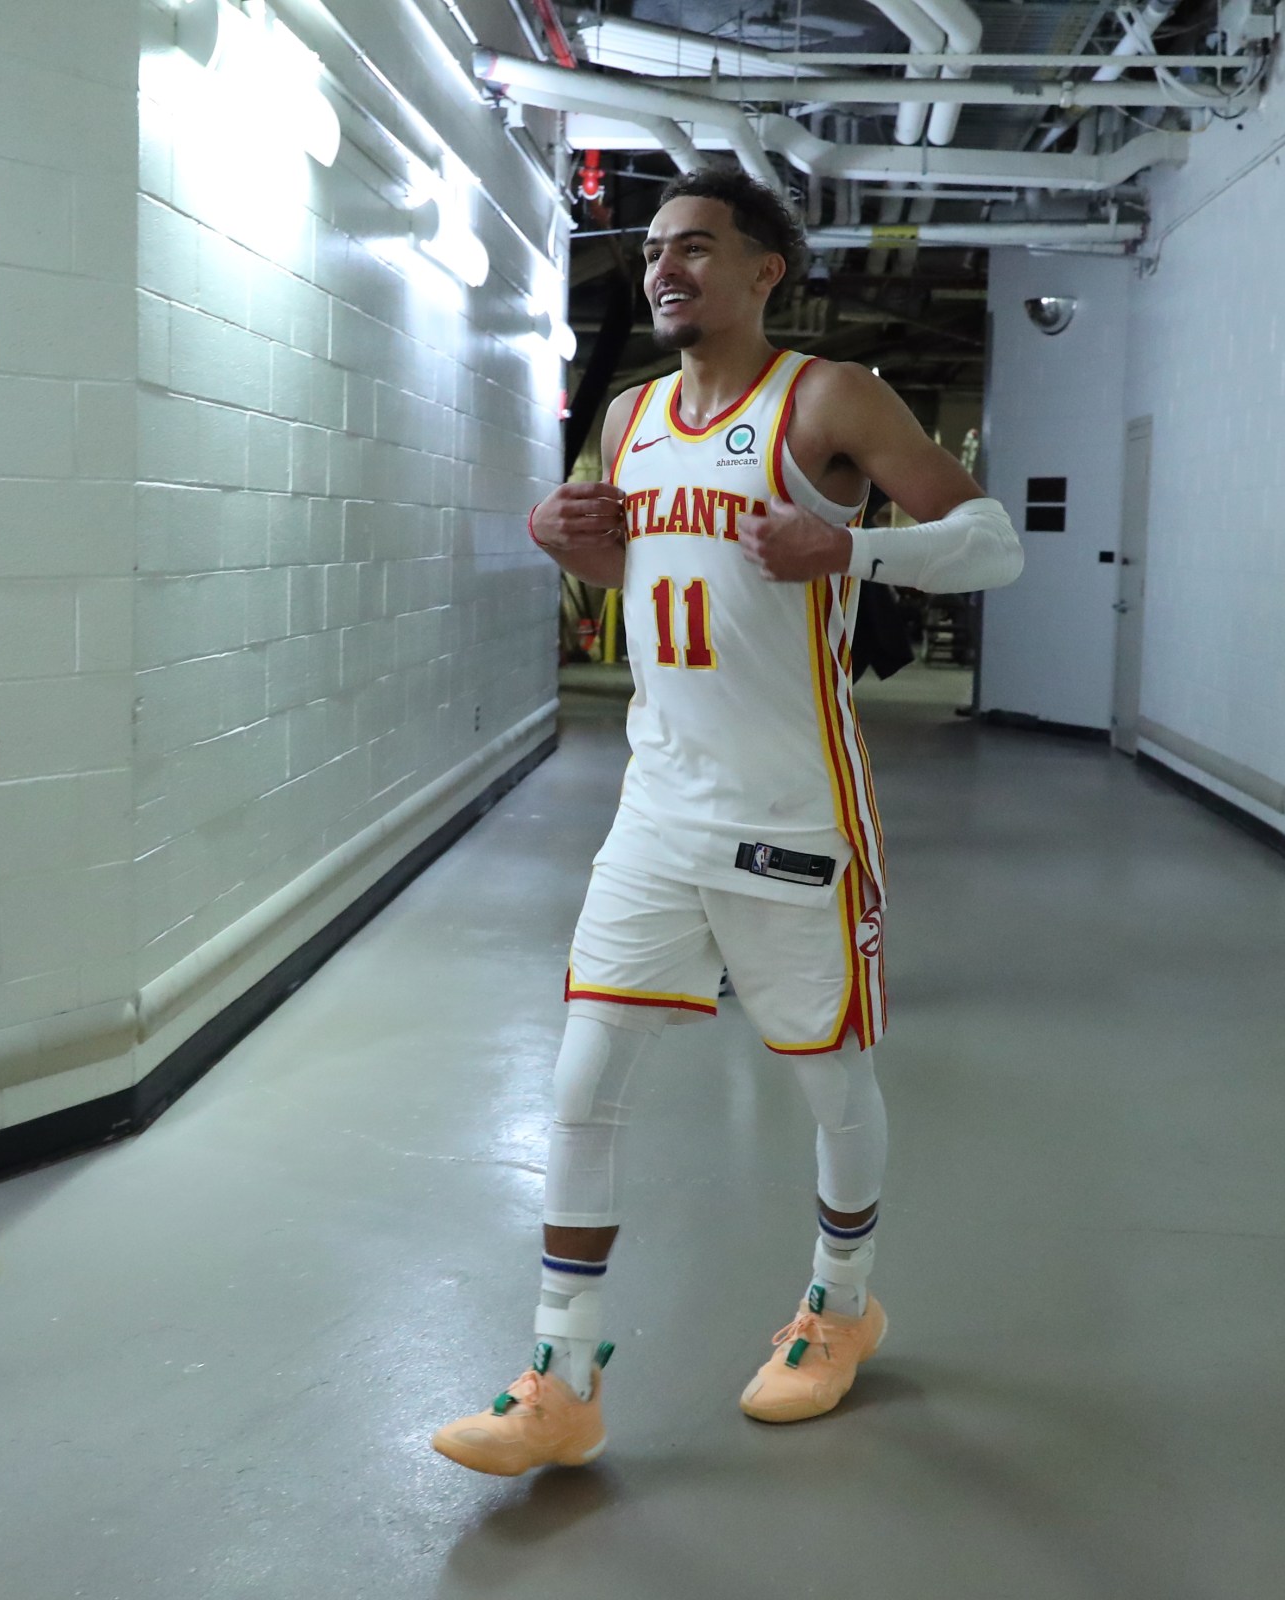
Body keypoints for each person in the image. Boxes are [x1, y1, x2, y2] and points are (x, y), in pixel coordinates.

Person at [430, 167, 1023, 1475]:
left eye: (697, 247)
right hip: (656, 808)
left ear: (767, 269)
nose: (665, 269)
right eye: (652, 251)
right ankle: (562, 1380)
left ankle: (842, 1308)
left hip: (794, 816)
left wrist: (851, 552)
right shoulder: (631, 414)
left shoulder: (825, 399)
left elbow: (992, 546)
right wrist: (557, 533)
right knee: (581, 1086)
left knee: (829, 1081)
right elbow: (635, 575)